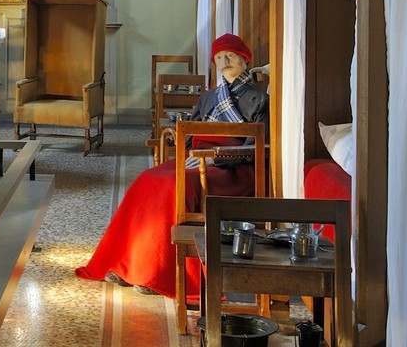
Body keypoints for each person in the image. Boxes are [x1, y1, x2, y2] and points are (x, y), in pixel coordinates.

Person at [75, 33, 268, 299]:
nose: (224, 62)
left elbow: (255, 146)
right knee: (147, 179)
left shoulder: (259, 99)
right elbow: (189, 134)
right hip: (197, 158)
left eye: (230, 56)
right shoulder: (209, 96)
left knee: (173, 184)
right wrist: (182, 146)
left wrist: (215, 157)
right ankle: (128, 262)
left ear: (245, 59)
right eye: (219, 57)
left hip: (231, 168)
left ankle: (159, 272)